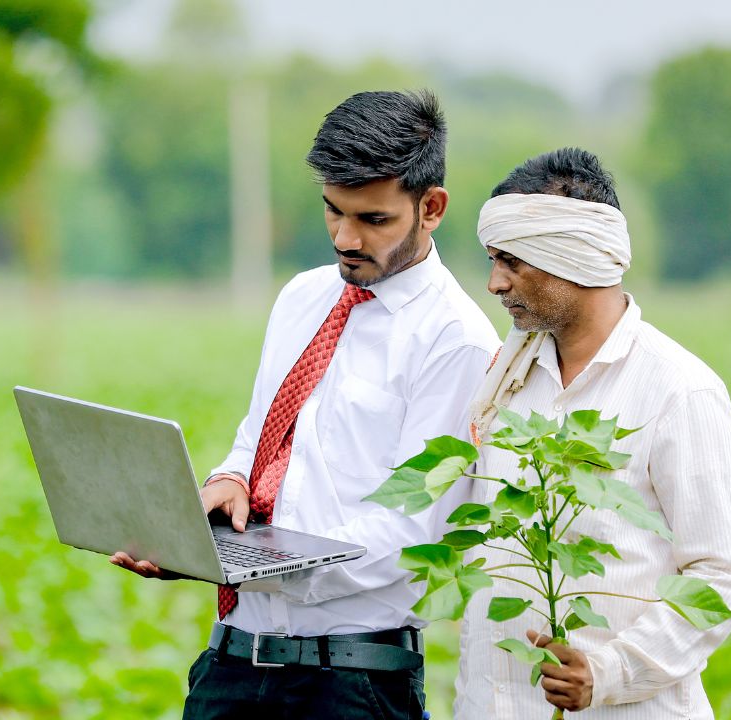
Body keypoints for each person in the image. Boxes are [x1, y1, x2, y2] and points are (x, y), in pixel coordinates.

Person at [112, 90, 500, 719]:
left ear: (431, 208)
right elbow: (260, 434)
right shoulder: (302, 297)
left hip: (350, 683)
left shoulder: (456, 340)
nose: (346, 238)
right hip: (231, 665)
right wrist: (227, 483)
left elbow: (409, 534)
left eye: (372, 219)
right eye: (333, 211)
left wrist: (243, 563)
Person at [455, 148, 731, 719]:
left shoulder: (678, 391)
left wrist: (610, 672)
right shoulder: (506, 381)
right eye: (493, 260)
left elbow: (720, 576)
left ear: (576, 257)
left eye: (512, 262)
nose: (494, 283)